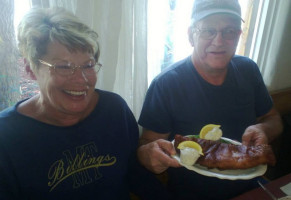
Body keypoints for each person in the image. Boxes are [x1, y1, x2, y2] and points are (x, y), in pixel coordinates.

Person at [0, 7, 169, 200]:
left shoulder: (114, 110)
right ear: (30, 69)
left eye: (88, 65)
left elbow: (135, 174)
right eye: (64, 67)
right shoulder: (6, 137)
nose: (81, 79)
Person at [137, 0, 283, 199]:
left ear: (239, 36)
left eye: (229, 31)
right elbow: (148, 143)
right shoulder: (167, 84)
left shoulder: (248, 70)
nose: (219, 41)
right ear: (191, 35)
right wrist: (148, 155)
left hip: (253, 188)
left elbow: (273, 119)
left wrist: (263, 129)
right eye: (208, 31)